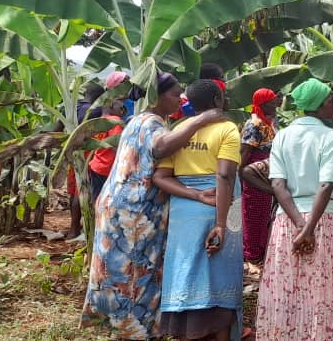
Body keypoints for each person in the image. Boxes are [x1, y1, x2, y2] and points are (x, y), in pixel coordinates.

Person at [81, 72, 225, 339]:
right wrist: (201, 120)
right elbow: (161, 147)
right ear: (157, 97)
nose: (180, 98)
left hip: (121, 206)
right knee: (134, 273)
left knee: (118, 271)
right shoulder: (151, 123)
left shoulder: (138, 119)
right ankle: (132, 331)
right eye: (174, 94)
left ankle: (120, 328)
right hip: (133, 212)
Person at [256, 78, 333, 340]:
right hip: (322, 222)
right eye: (331, 101)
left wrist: (298, 223)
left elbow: (277, 183)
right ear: (319, 106)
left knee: (286, 286)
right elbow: (326, 185)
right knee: (322, 288)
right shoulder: (331, 137)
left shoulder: (282, 135)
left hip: (287, 221)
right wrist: (308, 229)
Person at [152, 80, 243, 341]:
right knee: (222, 277)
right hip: (225, 206)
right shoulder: (228, 129)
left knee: (186, 275)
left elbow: (161, 177)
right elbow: (225, 176)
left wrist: (193, 194)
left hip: (184, 213)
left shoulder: (180, 129)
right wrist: (222, 224)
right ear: (217, 100)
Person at [239, 88, 281, 263]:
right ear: (264, 104)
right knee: (253, 214)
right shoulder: (254, 124)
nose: (276, 104)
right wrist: (240, 176)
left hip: (268, 171)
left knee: (265, 213)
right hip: (255, 173)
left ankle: (261, 250)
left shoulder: (270, 122)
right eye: (272, 101)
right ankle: (252, 253)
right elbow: (245, 152)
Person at [65, 81, 107, 240]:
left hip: (71, 153)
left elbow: (56, 129)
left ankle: (73, 228)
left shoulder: (72, 108)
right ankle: (78, 230)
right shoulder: (96, 111)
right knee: (80, 192)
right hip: (88, 154)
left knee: (73, 192)